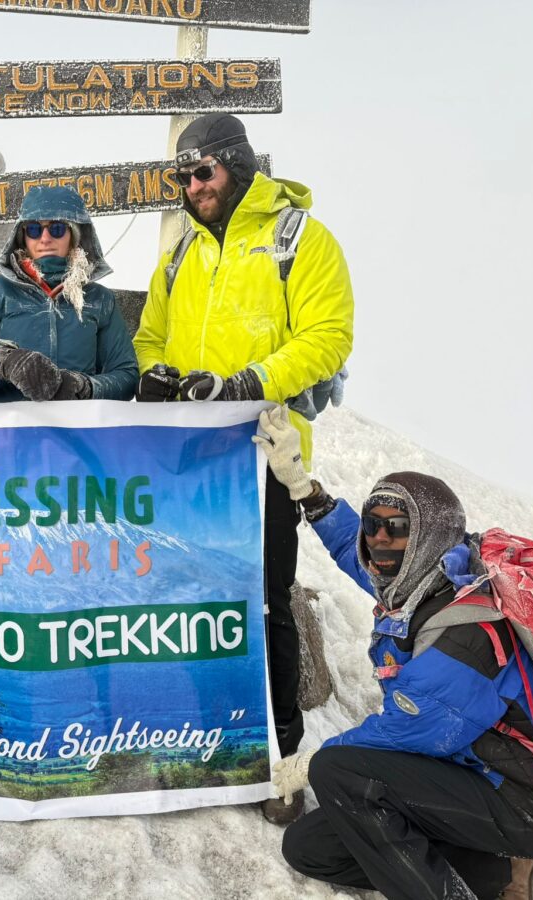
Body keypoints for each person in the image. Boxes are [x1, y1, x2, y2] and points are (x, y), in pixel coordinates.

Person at [254, 407, 533, 900]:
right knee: (311, 848)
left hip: (532, 800)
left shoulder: (468, 627)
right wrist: (307, 489)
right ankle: (498, 875)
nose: (379, 537)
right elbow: (357, 551)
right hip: (470, 775)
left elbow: (415, 730)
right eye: (374, 523)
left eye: (396, 525)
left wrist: (311, 761)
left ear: (429, 536)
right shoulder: (418, 585)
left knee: (340, 772)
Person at [133, 114, 354, 822]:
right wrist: (156, 374)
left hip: (261, 455)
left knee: (265, 605)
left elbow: (328, 336)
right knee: (189, 603)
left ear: (236, 163)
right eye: (182, 176)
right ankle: (209, 743)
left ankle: (283, 764)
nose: (192, 187)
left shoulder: (299, 239)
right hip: (189, 463)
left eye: (203, 171)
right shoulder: (179, 255)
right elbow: (149, 335)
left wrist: (247, 382)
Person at [0, 185, 136, 402]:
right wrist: (0, 364)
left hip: (77, 430)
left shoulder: (100, 300)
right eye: (34, 229)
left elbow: (127, 376)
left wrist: (85, 387)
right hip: (10, 431)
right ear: (22, 236)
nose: (45, 238)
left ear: (74, 235)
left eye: (56, 229)